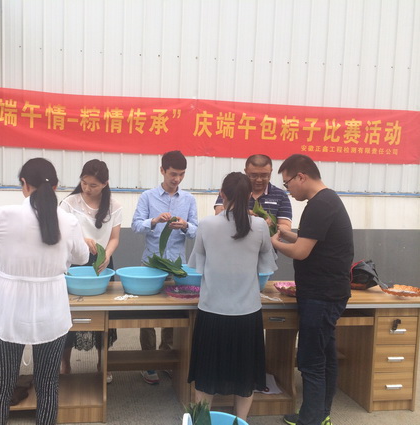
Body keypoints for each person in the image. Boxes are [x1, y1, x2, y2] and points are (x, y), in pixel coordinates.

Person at [0, 158, 89, 425]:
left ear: (24, 184)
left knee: (2, 385)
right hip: (52, 310)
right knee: (48, 385)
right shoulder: (69, 221)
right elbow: (82, 258)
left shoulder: (4, 216)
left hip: (9, 310)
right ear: (56, 186)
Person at [270, 154, 353, 425]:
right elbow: (311, 241)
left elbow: (301, 252)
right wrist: (287, 234)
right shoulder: (327, 200)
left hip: (321, 296)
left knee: (311, 360)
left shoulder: (319, 204)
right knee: (325, 356)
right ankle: (320, 414)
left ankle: (311, 420)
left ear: (301, 177)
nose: (288, 190)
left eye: (287, 184)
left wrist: (275, 243)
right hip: (328, 292)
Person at [187, 172, 277, 421]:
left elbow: (198, 266)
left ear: (222, 194)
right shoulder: (260, 226)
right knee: (245, 374)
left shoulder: (207, 224)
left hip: (212, 310)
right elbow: (266, 266)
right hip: (247, 312)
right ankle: (241, 421)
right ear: (250, 196)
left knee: (206, 373)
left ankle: (202, 420)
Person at [131, 150, 198, 385]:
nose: (177, 179)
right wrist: (155, 221)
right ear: (162, 171)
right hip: (151, 263)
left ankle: (167, 357)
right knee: (147, 315)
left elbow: (197, 231)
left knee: (173, 314)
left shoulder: (189, 199)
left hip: (177, 265)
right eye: (173, 174)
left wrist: (185, 226)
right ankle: (148, 362)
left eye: (181, 174)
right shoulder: (147, 197)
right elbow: (136, 225)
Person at [59, 159, 122, 384]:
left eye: (93, 185)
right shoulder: (69, 203)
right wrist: (81, 239)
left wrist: (107, 254)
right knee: (69, 315)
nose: (87, 188)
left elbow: (114, 238)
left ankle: (102, 363)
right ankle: (65, 363)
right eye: (84, 183)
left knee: (103, 314)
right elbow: (60, 233)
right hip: (75, 261)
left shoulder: (114, 205)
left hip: (101, 262)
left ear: (105, 184)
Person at [214, 154, 292, 232]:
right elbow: (219, 213)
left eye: (264, 175)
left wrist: (270, 224)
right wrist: (245, 215)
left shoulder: (281, 195)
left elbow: (286, 226)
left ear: (271, 172)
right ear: (246, 171)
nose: (259, 180)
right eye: (254, 175)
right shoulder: (232, 189)